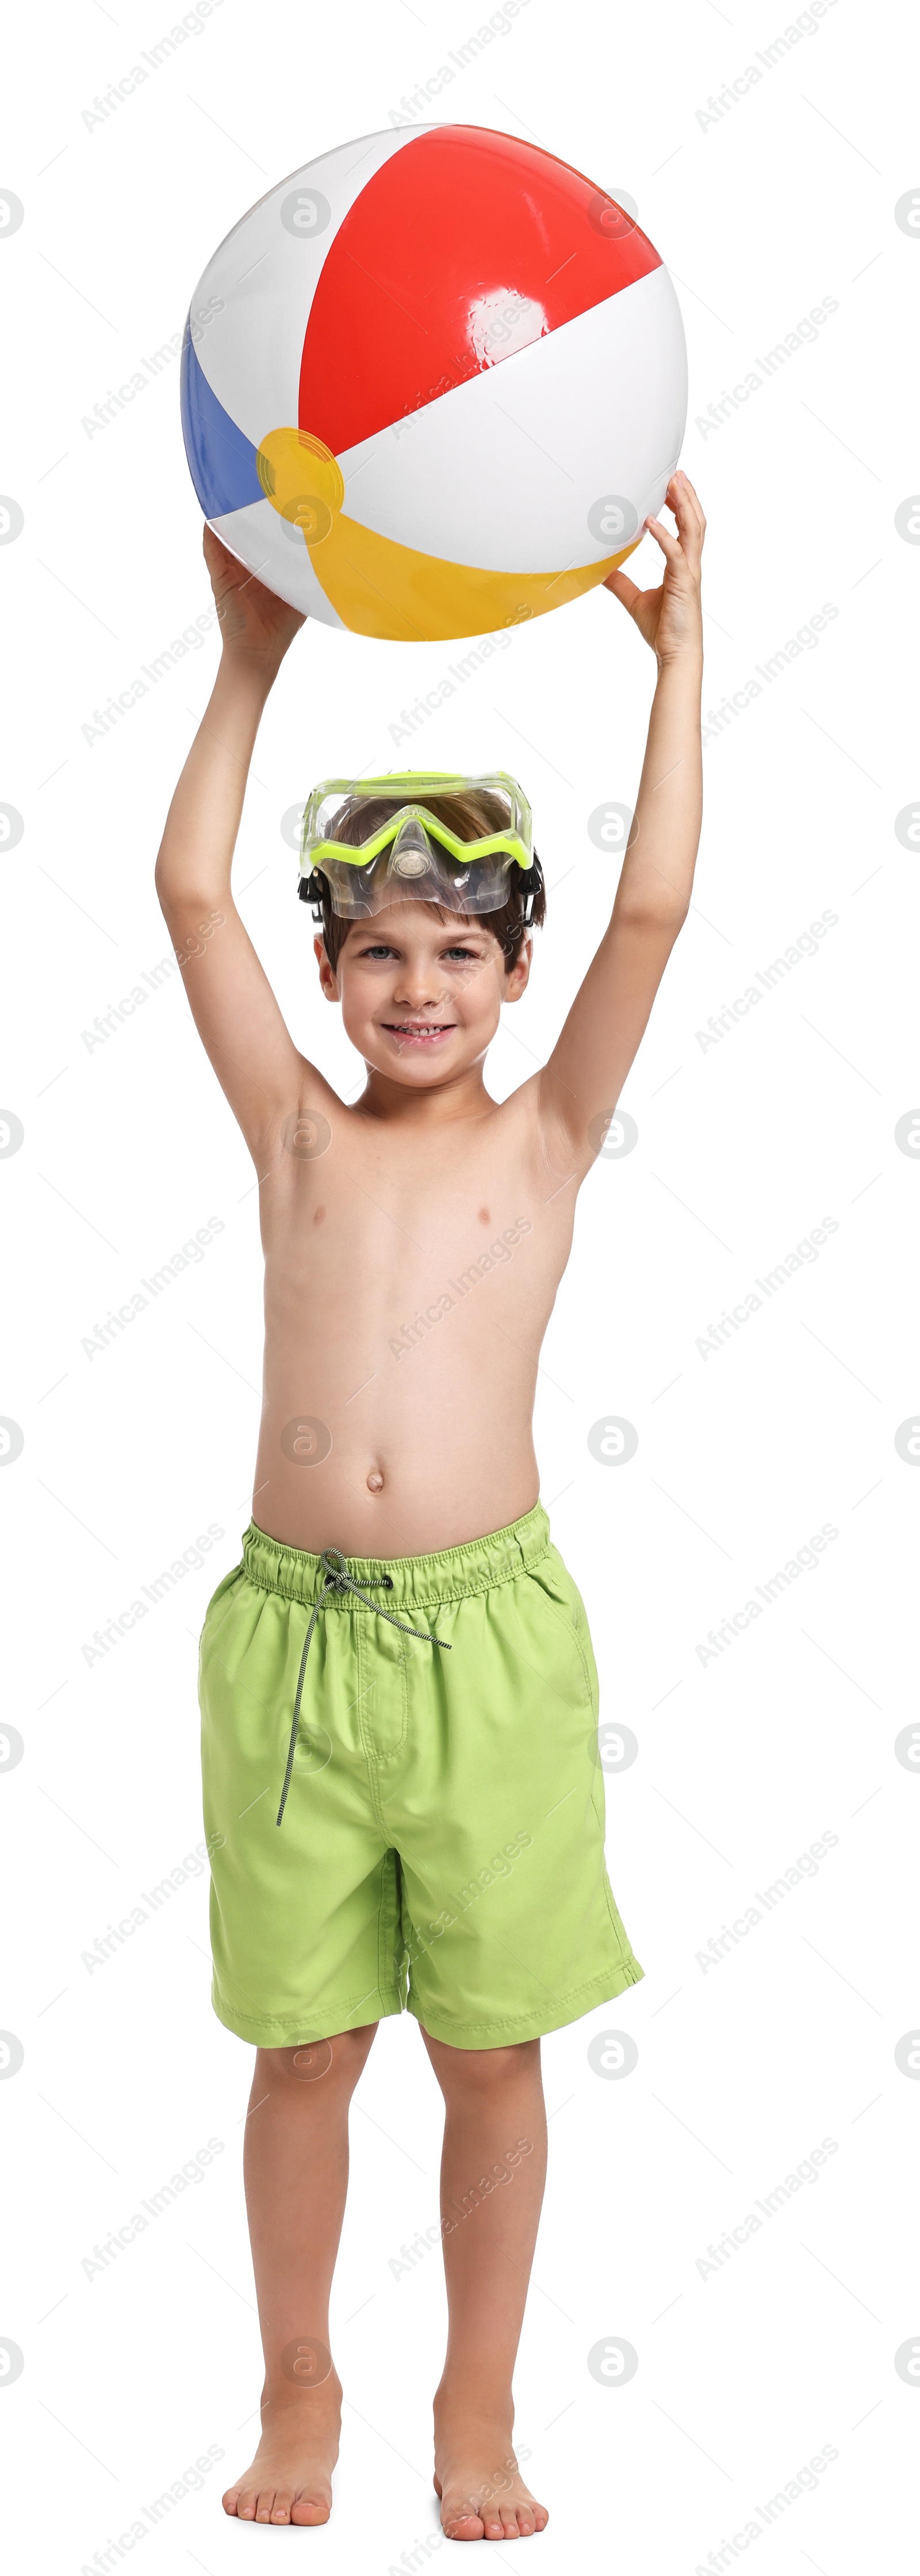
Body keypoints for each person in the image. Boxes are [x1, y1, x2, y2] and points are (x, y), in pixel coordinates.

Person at [154, 471, 706, 2540]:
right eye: (376, 947)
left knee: (491, 2055)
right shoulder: (293, 1133)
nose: (414, 985)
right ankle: (300, 2385)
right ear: (330, 968)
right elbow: (185, 895)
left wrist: (679, 657)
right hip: (290, 1649)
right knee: (304, 2055)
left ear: (512, 970)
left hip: (490, 1647)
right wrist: (250, 658)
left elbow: (655, 907)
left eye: (458, 949)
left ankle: (479, 2403)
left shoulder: (549, 1135)